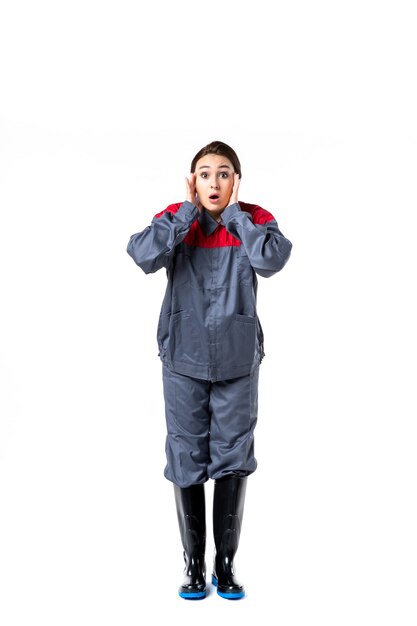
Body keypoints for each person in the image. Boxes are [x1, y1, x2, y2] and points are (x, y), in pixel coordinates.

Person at [126, 140, 292, 600]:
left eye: (223, 173)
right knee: (186, 456)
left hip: (238, 361)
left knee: (234, 457)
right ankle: (194, 564)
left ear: (236, 180)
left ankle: (225, 564)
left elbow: (272, 260)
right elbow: (141, 255)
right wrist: (182, 215)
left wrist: (237, 215)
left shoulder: (254, 220)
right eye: (204, 173)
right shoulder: (177, 219)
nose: (213, 182)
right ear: (192, 180)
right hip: (183, 358)